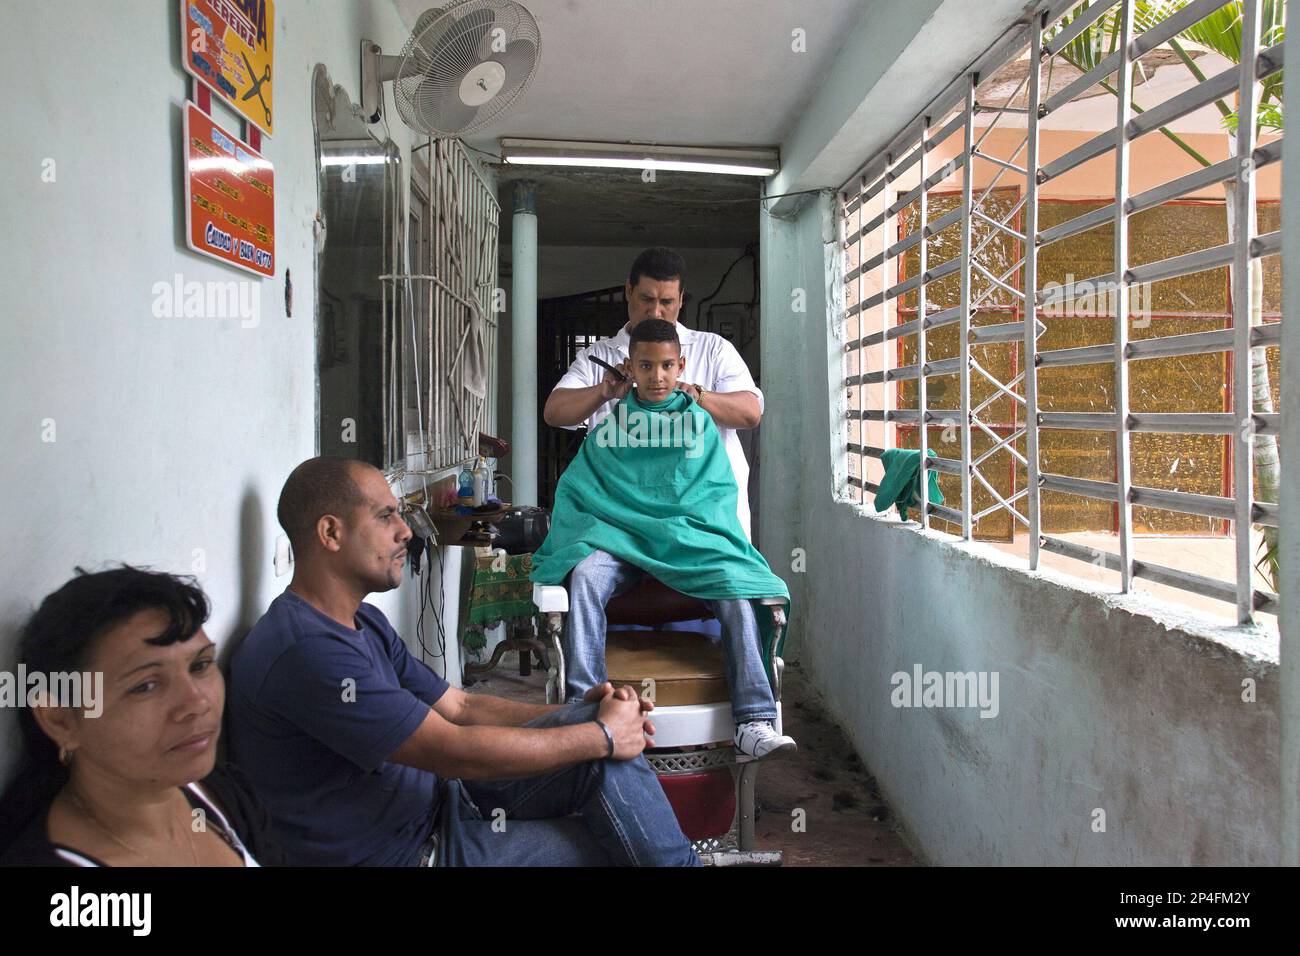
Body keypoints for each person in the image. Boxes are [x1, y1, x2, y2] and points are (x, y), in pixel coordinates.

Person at [226, 456, 699, 867]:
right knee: (619, 841)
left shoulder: (361, 622)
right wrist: (601, 735)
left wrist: (582, 716)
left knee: (604, 756)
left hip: (445, 803)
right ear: (330, 532)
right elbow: (451, 747)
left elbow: (461, 708)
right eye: (386, 516)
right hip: (413, 853)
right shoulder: (307, 651)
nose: (404, 532)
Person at [532, 319, 796, 761]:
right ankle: (585, 709)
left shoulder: (699, 422)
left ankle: (753, 719)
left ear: (682, 367)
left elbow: (712, 493)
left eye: (667, 366)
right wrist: (615, 528)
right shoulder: (614, 425)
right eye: (647, 366)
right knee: (585, 576)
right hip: (617, 538)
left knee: (737, 585)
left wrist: (675, 528)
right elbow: (583, 488)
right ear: (630, 369)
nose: (657, 376)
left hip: (686, 538)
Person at [0, 566, 280, 867]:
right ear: (61, 720)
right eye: (144, 686)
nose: (197, 703)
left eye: (199, 666)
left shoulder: (222, 794)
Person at [543, 246, 763, 539]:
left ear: (681, 300)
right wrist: (603, 391)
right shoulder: (599, 356)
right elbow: (555, 412)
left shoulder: (713, 349)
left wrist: (698, 395)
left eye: (667, 302)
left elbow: (750, 413)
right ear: (628, 291)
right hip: (623, 521)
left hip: (706, 523)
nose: (655, 312)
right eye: (646, 299)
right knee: (589, 576)